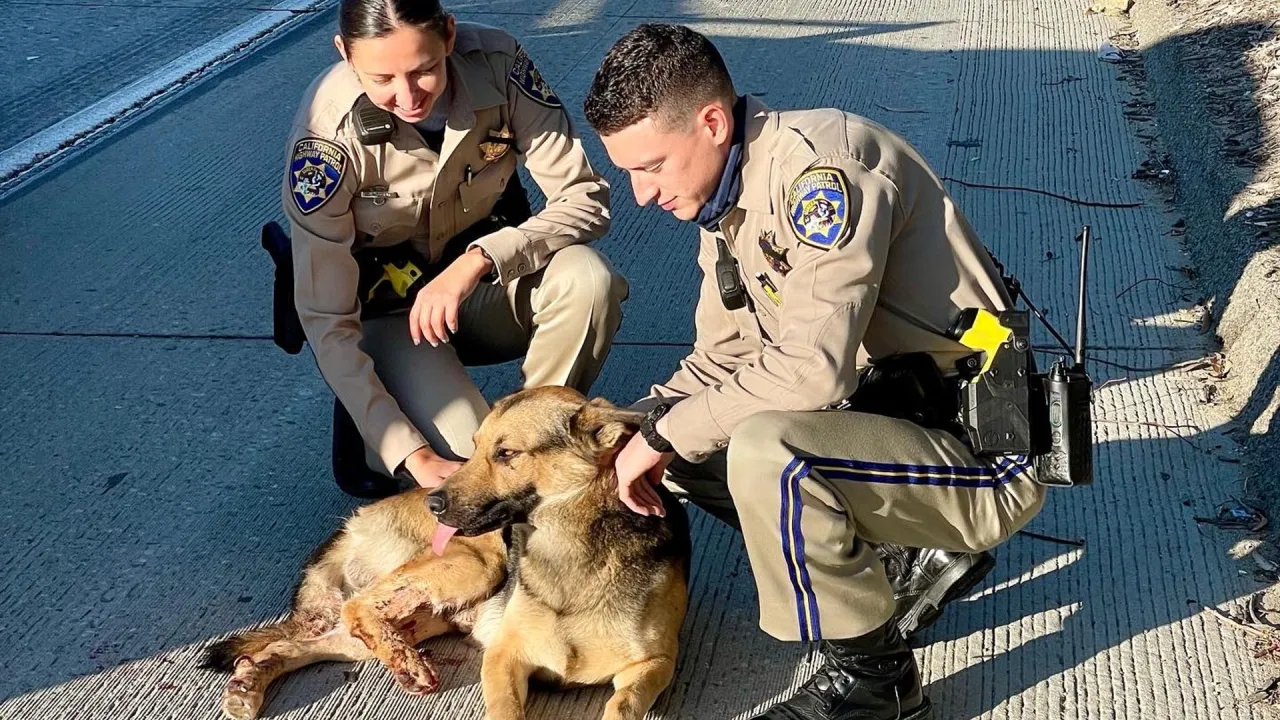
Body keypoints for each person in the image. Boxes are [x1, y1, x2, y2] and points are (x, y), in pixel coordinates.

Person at [583, 24, 1050, 720]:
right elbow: (721, 359)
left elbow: (812, 372)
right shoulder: (729, 201)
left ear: (712, 123)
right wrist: (629, 431)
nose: (641, 194)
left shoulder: (823, 176)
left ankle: (876, 684)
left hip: (982, 445)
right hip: (895, 418)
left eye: (651, 166)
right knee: (670, 442)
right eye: (628, 172)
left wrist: (665, 434)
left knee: (766, 450)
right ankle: (894, 561)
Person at [273, 0, 628, 498]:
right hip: (393, 317)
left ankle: (534, 439)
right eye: (382, 79)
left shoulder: (498, 64)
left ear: (450, 36)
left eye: (424, 69)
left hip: (478, 292)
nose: (407, 95)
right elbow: (328, 322)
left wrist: (479, 259)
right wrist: (409, 453)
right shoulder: (327, 136)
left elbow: (585, 198)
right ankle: (403, 431)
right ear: (345, 54)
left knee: (587, 278)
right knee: (468, 473)